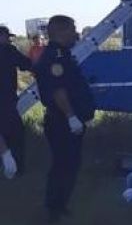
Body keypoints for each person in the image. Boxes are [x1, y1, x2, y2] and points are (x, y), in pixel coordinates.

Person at [35, 15, 95, 222]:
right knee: (63, 165)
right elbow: (58, 90)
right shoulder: (55, 57)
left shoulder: (64, 55)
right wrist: (71, 117)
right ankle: (54, 208)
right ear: (61, 32)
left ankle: (60, 204)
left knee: (69, 164)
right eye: (72, 29)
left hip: (68, 120)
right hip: (62, 121)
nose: (75, 34)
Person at [0, 25, 31, 178]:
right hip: (6, 99)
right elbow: (25, 64)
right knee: (15, 133)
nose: (9, 39)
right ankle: (15, 168)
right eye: (7, 36)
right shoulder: (8, 51)